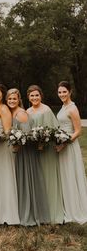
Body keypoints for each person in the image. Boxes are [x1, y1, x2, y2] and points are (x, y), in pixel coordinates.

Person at [6, 88, 50, 226]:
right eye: (9, 99)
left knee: (27, 180)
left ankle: (30, 213)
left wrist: (17, 142)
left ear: (19, 99)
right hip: (20, 152)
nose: (12, 101)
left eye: (14, 99)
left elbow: (27, 137)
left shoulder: (21, 114)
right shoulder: (14, 112)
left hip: (26, 153)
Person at [26, 85, 64, 224]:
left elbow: (54, 131)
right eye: (32, 96)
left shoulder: (46, 110)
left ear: (41, 96)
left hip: (47, 150)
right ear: (28, 97)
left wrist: (44, 142)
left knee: (48, 178)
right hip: (33, 150)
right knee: (38, 180)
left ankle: (53, 213)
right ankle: (40, 212)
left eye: (37, 95)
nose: (34, 98)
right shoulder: (27, 111)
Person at [0, 84, 19, 225]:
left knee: (5, 178)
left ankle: (8, 215)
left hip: (2, 148)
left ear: (3, 95)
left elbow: (7, 132)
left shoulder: (4, 109)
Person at [56, 81, 87, 224]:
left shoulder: (72, 108)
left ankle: (75, 209)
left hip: (69, 145)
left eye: (64, 92)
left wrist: (65, 143)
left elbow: (78, 131)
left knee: (70, 175)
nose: (62, 94)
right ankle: (66, 205)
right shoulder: (63, 107)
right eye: (60, 92)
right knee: (64, 176)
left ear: (70, 92)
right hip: (61, 144)